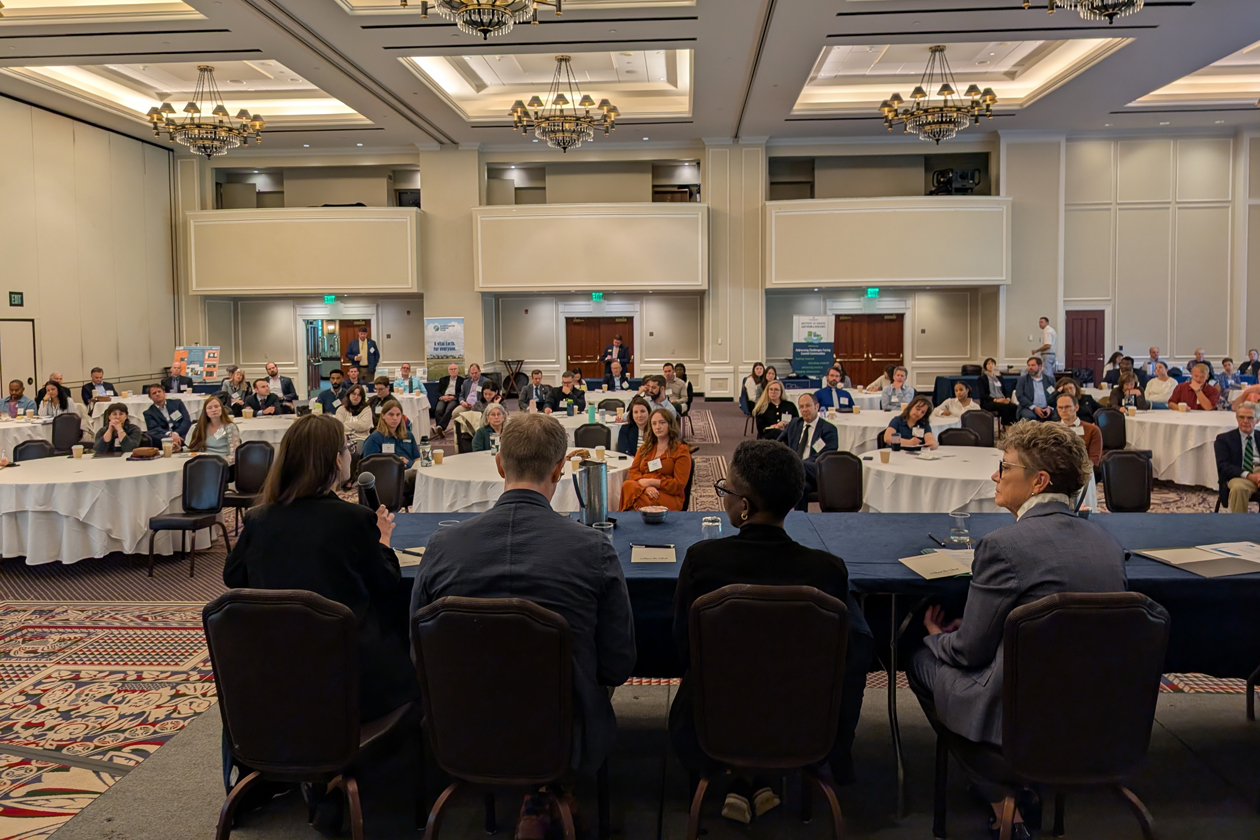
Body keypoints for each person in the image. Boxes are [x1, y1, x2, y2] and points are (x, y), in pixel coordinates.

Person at [908, 421, 1125, 835]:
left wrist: (939, 639)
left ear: (1038, 481)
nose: (995, 475)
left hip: (1018, 723)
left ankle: (996, 788)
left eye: (1004, 467)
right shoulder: (1109, 546)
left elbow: (969, 652)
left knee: (922, 659)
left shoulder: (1003, 546)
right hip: (1096, 721)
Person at [411, 412, 636, 781]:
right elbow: (618, 663)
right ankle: (550, 796)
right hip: (566, 737)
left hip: (462, 733)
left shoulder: (441, 547)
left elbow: (417, 652)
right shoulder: (593, 549)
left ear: (500, 466)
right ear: (559, 469)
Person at [225, 414, 419, 827]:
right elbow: (386, 584)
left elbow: (233, 579)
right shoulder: (353, 521)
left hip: (273, 676)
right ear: (336, 460)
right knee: (419, 669)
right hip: (352, 680)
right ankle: (371, 785)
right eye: (347, 449)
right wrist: (383, 540)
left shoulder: (259, 520)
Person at [669, 440, 873, 818]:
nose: (723, 498)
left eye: (726, 491)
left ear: (744, 506)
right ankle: (755, 775)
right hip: (803, 725)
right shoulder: (826, 569)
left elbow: (683, 647)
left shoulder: (703, 560)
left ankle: (741, 773)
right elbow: (849, 654)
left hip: (712, 726)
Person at [620, 408, 692, 511]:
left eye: (662, 423)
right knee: (627, 485)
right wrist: (645, 487)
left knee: (637, 499)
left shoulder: (680, 450)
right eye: (654, 424)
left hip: (668, 494)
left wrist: (651, 482)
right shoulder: (646, 447)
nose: (657, 427)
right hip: (644, 489)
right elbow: (633, 471)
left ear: (670, 424)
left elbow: (679, 485)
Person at [778, 393, 837, 505]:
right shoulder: (794, 424)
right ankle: (800, 519)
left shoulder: (829, 429)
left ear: (817, 407)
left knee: (794, 468)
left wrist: (797, 464)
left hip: (817, 471)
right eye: (801, 406)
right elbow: (778, 443)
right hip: (799, 474)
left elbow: (826, 455)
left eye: (808, 406)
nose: (804, 409)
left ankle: (794, 468)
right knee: (800, 485)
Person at [362, 399, 421, 501]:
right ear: (383, 416)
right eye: (391, 414)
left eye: (398, 415)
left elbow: (417, 459)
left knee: (424, 475)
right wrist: (394, 462)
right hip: (389, 479)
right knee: (417, 477)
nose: (395, 418)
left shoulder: (409, 435)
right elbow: (369, 466)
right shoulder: (375, 438)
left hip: (410, 473)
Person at [1214, 402, 1260, 513]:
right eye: (1241, 417)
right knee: (1239, 489)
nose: (1245, 421)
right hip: (1239, 474)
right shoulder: (1224, 439)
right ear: (1236, 418)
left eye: (1250, 418)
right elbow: (1223, 466)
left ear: (1257, 420)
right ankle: (1240, 526)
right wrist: (1249, 476)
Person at [187, 395, 240, 466]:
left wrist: (218, 464)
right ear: (205, 412)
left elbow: (234, 455)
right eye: (210, 408)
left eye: (216, 406)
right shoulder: (198, 427)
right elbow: (191, 449)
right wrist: (179, 449)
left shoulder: (229, 427)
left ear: (222, 408)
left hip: (222, 464)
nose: (214, 410)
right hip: (202, 462)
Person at [1056, 393, 1102, 466]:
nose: (1063, 410)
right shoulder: (1052, 430)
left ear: (1076, 407)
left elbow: (1094, 459)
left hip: (1084, 471)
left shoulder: (1092, 429)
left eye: (1067, 407)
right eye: (1060, 407)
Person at [143, 383, 191, 449]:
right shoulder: (148, 413)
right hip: (164, 437)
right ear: (150, 397)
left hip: (181, 434)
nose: (157, 394)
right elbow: (154, 429)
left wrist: (176, 434)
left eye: (159, 391)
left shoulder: (177, 403)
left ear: (164, 393)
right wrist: (170, 435)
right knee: (152, 435)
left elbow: (186, 421)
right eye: (154, 393)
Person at [1015, 357, 1056, 422]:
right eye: (1028, 365)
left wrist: (1049, 408)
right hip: (1029, 408)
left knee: (1056, 416)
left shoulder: (1050, 380)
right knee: (1030, 417)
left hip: (1047, 408)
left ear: (1040, 366)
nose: (1030, 367)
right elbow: (1020, 396)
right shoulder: (1022, 380)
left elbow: (1054, 395)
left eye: (1033, 365)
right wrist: (1034, 407)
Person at [977, 358, 1016, 425]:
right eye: (988, 364)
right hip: (989, 401)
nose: (991, 365)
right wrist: (996, 400)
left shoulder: (999, 378)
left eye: (992, 363)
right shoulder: (982, 379)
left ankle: (1013, 426)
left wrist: (1007, 398)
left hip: (1002, 399)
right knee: (1005, 407)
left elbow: (1005, 391)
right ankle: (1006, 426)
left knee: (1014, 406)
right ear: (985, 366)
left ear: (994, 365)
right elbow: (982, 394)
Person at [336, 384, 375, 451]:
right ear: (349, 395)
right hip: (344, 439)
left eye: (359, 395)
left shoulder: (366, 409)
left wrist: (347, 425)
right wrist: (357, 427)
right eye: (354, 394)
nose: (356, 397)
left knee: (359, 451)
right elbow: (339, 427)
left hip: (361, 439)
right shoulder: (341, 409)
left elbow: (365, 425)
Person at [433, 363, 464, 436]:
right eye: (451, 369)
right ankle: (439, 428)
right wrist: (443, 397)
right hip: (444, 397)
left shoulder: (462, 380)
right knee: (438, 409)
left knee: (449, 409)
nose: (453, 371)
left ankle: (440, 427)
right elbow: (437, 391)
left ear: (458, 370)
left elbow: (462, 392)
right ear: (448, 371)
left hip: (454, 398)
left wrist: (454, 397)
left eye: (455, 369)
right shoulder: (443, 380)